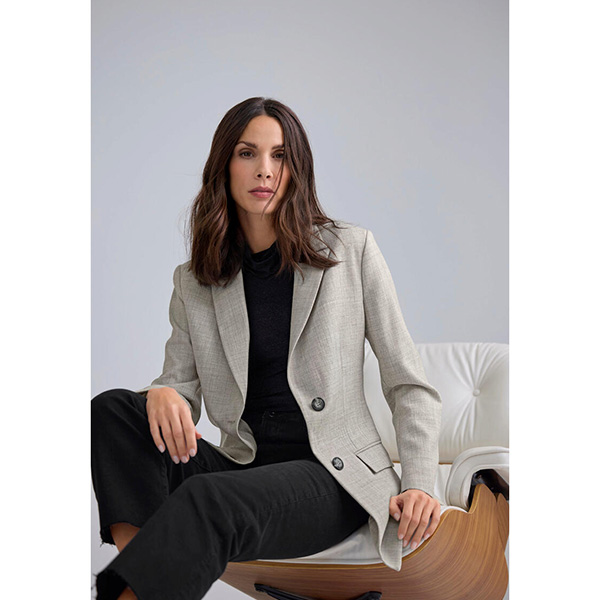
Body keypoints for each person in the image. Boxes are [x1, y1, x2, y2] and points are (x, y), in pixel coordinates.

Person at [91, 97, 443, 600]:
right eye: (247, 153)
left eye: (279, 155)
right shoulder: (195, 281)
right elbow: (179, 391)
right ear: (224, 166)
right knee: (112, 411)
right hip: (245, 468)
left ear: (297, 168)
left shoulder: (351, 251)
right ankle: (148, 582)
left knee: (208, 497)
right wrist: (162, 392)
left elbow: (408, 383)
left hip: (332, 478)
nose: (264, 170)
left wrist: (421, 482)